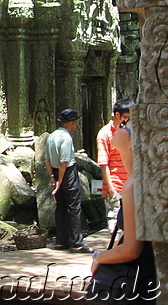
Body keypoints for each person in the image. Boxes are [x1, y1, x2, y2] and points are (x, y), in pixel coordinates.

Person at [88, 116, 159, 302]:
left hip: (139, 278)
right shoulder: (144, 178)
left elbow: (131, 250)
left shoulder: (135, 185)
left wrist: (98, 257)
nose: (117, 125)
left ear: (133, 142)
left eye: (124, 124)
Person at [45, 109, 92, 253]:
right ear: (71, 123)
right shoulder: (66, 138)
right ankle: (76, 243)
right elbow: (64, 162)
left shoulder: (51, 136)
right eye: (76, 122)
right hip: (67, 173)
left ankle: (61, 241)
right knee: (73, 207)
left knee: (61, 207)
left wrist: (52, 177)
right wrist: (60, 180)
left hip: (55, 171)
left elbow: (46, 160)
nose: (76, 125)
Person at [95, 98, 133, 231]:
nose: (129, 121)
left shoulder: (131, 131)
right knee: (116, 229)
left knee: (131, 229)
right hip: (116, 187)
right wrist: (111, 190)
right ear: (118, 115)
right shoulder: (104, 134)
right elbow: (103, 164)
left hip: (131, 185)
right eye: (127, 118)